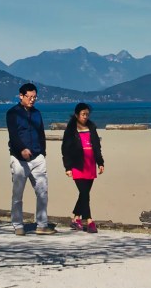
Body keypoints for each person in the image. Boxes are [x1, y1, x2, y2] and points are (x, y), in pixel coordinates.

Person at [6, 83, 52, 235]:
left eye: (34, 97)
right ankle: (18, 225)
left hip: (37, 157)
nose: (32, 100)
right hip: (19, 159)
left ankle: (42, 224)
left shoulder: (37, 113)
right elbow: (13, 135)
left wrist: (43, 152)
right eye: (29, 97)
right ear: (21, 96)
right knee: (17, 194)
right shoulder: (12, 113)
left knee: (42, 192)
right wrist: (21, 149)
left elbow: (41, 133)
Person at [60, 102, 105, 233]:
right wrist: (67, 167)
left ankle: (76, 219)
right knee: (84, 193)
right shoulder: (71, 129)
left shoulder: (91, 127)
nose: (85, 117)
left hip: (90, 165)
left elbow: (97, 147)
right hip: (77, 164)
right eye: (83, 114)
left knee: (84, 193)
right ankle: (89, 220)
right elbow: (65, 149)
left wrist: (100, 163)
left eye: (87, 114)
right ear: (76, 115)